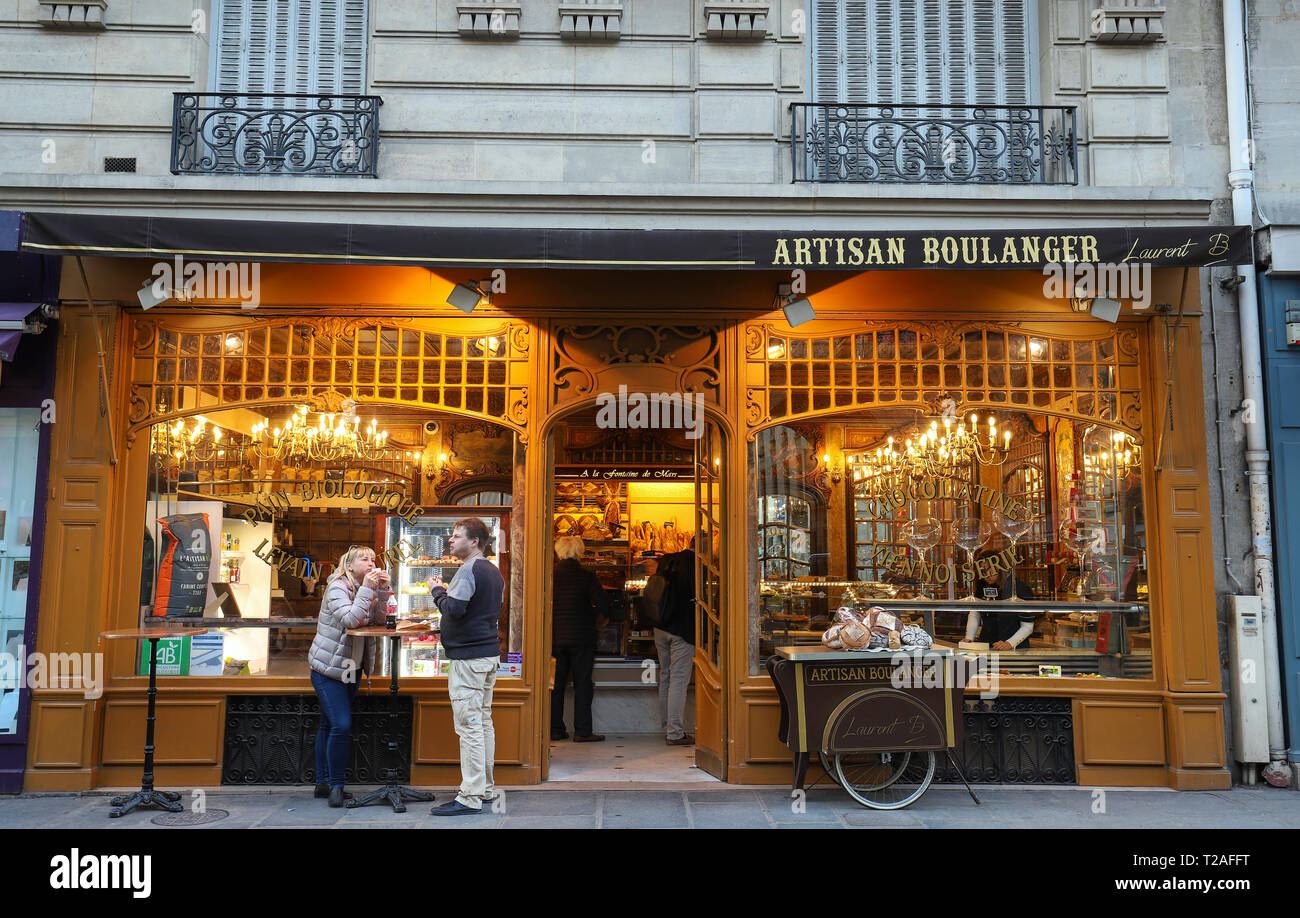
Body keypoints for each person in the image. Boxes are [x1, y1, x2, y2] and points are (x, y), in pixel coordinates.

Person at [427, 518, 505, 817]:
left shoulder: (469, 569)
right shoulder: (493, 571)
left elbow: (455, 610)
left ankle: (470, 796)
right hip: (486, 656)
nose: (450, 540)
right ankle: (484, 788)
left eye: (457, 536)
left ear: (474, 542)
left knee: (470, 727)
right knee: (483, 723)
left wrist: (437, 591)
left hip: (469, 660)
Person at [308, 546, 391, 807]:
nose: (370, 563)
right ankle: (336, 786)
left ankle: (322, 783)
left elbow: (378, 620)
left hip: (351, 668)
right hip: (328, 669)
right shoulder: (337, 587)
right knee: (341, 725)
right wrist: (368, 588)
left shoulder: (365, 587)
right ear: (350, 564)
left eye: (373, 559)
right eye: (364, 559)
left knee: (329, 724)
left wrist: (383, 591)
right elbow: (351, 620)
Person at [551, 535, 613, 742]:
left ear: (558, 552)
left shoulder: (550, 575)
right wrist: (596, 620)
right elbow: (604, 604)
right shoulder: (586, 576)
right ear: (580, 552)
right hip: (582, 637)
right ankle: (582, 731)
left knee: (556, 685)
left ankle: (555, 730)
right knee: (583, 684)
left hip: (555, 638)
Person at [654, 542, 696, 746]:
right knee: (679, 679)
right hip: (682, 631)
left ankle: (667, 724)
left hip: (660, 627)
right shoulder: (697, 564)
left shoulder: (666, 559)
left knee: (666, 676)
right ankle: (675, 732)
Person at [964, 548, 1036, 651]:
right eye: (982, 570)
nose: (986, 574)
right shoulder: (982, 586)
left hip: (1015, 651)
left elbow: (1028, 626)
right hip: (986, 646)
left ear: (1001, 567)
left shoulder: (1020, 589)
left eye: (990, 569)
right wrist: (969, 638)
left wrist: (1009, 643)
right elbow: (975, 613)